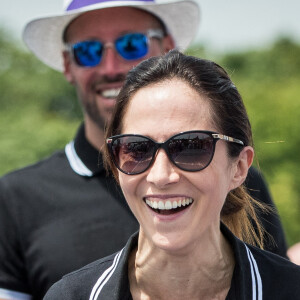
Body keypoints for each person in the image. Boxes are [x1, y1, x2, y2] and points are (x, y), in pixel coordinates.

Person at [0, 0, 288, 299]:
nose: (160, 176)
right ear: (67, 64)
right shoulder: (16, 198)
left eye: (132, 44)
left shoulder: (245, 183)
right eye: (88, 51)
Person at [44, 50, 300, 300]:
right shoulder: (72, 295)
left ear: (240, 167)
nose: (160, 175)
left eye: (191, 147)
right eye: (136, 148)